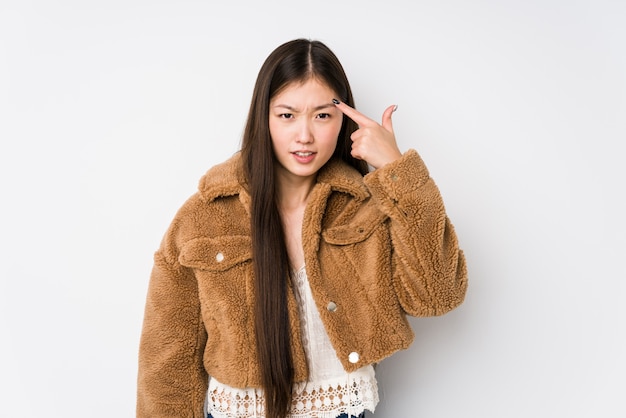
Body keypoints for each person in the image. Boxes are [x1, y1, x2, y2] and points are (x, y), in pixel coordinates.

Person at [136, 38, 468, 418]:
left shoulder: (367, 208)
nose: (305, 135)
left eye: (323, 115)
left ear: (344, 120)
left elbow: (437, 295)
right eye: (287, 115)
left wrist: (397, 170)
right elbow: (167, 357)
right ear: (263, 118)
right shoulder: (203, 216)